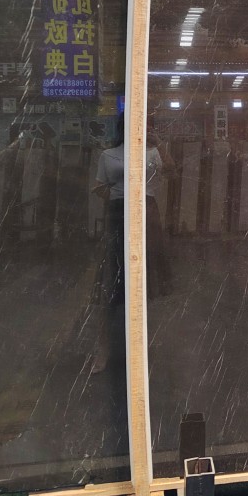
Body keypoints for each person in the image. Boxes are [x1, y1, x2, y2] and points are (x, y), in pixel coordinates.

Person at [90, 114, 175, 372]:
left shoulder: (151, 152)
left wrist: (158, 143)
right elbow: (99, 186)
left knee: (141, 283)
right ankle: (103, 350)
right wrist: (118, 198)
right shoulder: (108, 155)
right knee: (111, 284)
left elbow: (171, 171)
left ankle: (138, 349)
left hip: (146, 213)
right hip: (119, 214)